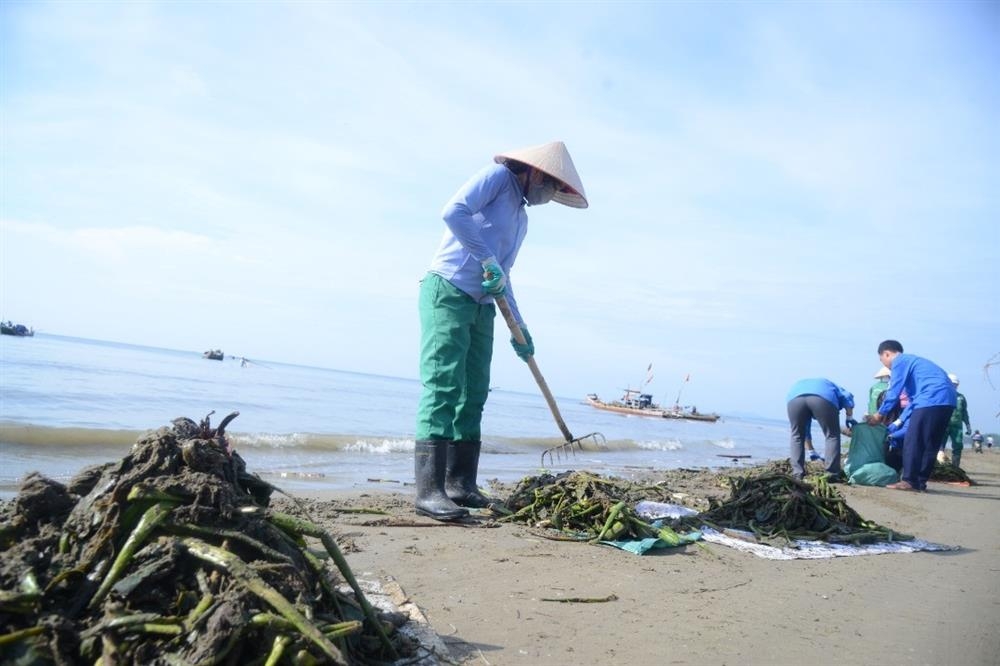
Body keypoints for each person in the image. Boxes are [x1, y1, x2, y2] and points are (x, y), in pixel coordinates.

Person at [414, 141, 588, 521]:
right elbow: (453, 212)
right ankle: (429, 491)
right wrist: (486, 258)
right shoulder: (497, 178)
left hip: (481, 305)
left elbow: (502, 276)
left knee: (474, 391)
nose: (551, 195)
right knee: (444, 385)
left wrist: (521, 330)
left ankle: (461, 484)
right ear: (536, 172)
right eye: (552, 186)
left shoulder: (522, 218)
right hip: (448, 290)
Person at [867, 340, 956, 491]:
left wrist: (879, 415)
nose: (885, 365)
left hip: (931, 398)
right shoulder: (915, 364)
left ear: (886, 353)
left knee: (912, 440)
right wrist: (898, 421)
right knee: (931, 443)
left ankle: (909, 481)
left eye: (882, 360)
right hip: (947, 400)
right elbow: (913, 401)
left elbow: (894, 391)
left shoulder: (900, 362)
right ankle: (920, 482)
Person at [786, 378, 856, 481]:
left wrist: (811, 450)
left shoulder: (805, 385)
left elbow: (805, 429)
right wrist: (849, 417)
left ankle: (797, 474)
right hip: (823, 398)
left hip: (794, 398)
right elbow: (847, 397)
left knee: (796, 436)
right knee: (832, 435)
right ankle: (832, 473)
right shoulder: (834, 388)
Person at [939, 373, 971, 466]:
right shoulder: (941, 395)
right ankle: (939, 466)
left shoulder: (961, 397)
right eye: (952, 384)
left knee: (958, 446)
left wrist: (968, 425)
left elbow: (964, 412)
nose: (954, 386)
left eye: (956, 384)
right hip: (943, 425)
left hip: (957, 427)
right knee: (940, 446)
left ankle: (955, 468)